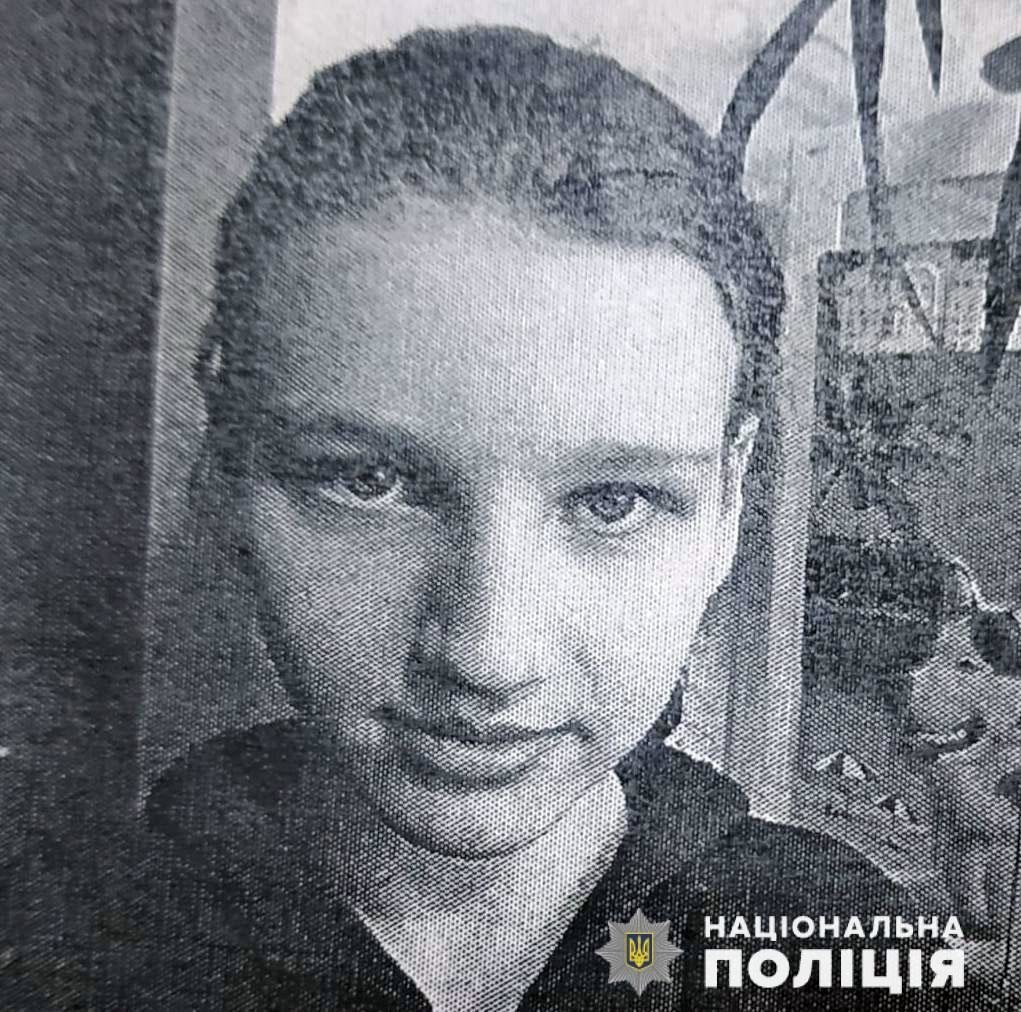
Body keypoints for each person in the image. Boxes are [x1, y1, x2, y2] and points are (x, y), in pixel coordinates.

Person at [105, 25, 971, 1011]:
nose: (488, 655)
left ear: (728, 506)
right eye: (368, 480)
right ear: (223, 478)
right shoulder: (50, 954)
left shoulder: (859, 961)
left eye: (613, 501)